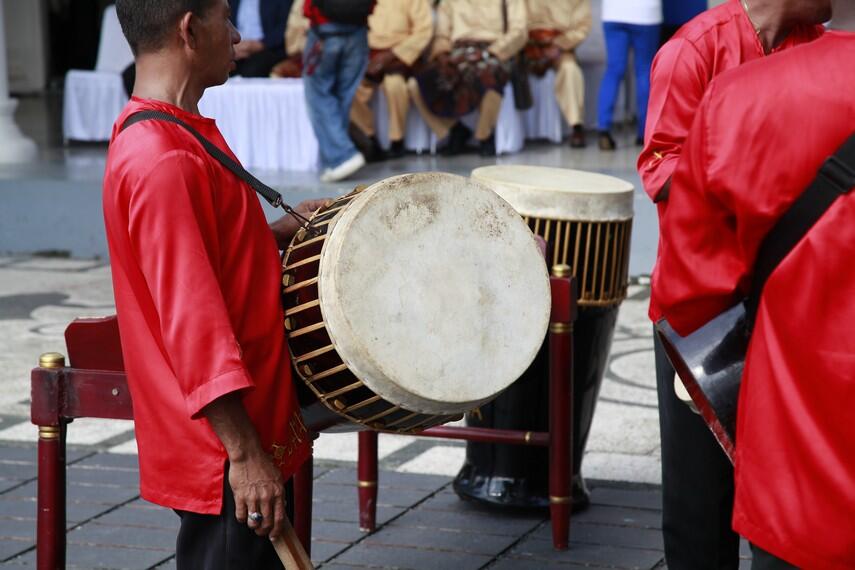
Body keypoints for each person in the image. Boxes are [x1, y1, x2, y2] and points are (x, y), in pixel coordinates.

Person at [105, 1, 327, 566]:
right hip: (226, 446)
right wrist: (245, 456)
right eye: (225, 18)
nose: (234, 35)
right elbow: (194, 328)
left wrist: (273, 232)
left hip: (247, 423)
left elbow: (206, 261)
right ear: (188, 29)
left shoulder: (171, 129)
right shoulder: (163, 158)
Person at [656, 3, 855, 566]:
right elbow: (659, 161)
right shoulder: (695, 48)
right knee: (698, 505)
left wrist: (732, 184)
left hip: (803, 462)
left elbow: (689, 298)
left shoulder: (743, 96)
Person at [408, 0, 527, 157]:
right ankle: (453, 129)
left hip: (495, 51)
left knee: (489, 78)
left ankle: (484, 135)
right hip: (457, 52)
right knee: (418, 83)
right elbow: (441, 35)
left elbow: (519, 32)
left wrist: (489, 52)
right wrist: (442, 54)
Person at [349, 0, 434, 161]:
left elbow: (423, 31)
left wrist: (392, 55)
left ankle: (397, 140)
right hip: (367, 54)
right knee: (350, 89)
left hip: (400, 55)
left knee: (395, 85)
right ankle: (369, 139)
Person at [302, 0, 373, 182]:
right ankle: (334, 162)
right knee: (343, 96)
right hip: (358, 31)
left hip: (325, 31)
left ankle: (341, 156)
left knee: (318, 94)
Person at [523, 0, 591, 148]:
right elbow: (513, 19)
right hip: (525, 45)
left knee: (570, 69)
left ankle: (576, 126)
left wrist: (559, 45)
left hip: (561, 46)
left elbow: (582, 26)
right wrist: (527, 44)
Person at [596, 0, 661, 150]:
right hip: (645, 13)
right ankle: (644, 132)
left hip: (613, 12)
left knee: (613, 70)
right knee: (644, 71)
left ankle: (603, 130)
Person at [231, 0, 293, 77]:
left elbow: (286, 27)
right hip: (234, 48)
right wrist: (230, 46)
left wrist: (261, 44)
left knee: (252, 70)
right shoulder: (227, 2)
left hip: (267, 49)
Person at [271, 0, 309, 78]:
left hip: (318, 56)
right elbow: (292, 31)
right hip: (299, 55)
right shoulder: (299, 3)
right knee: (277, 73)